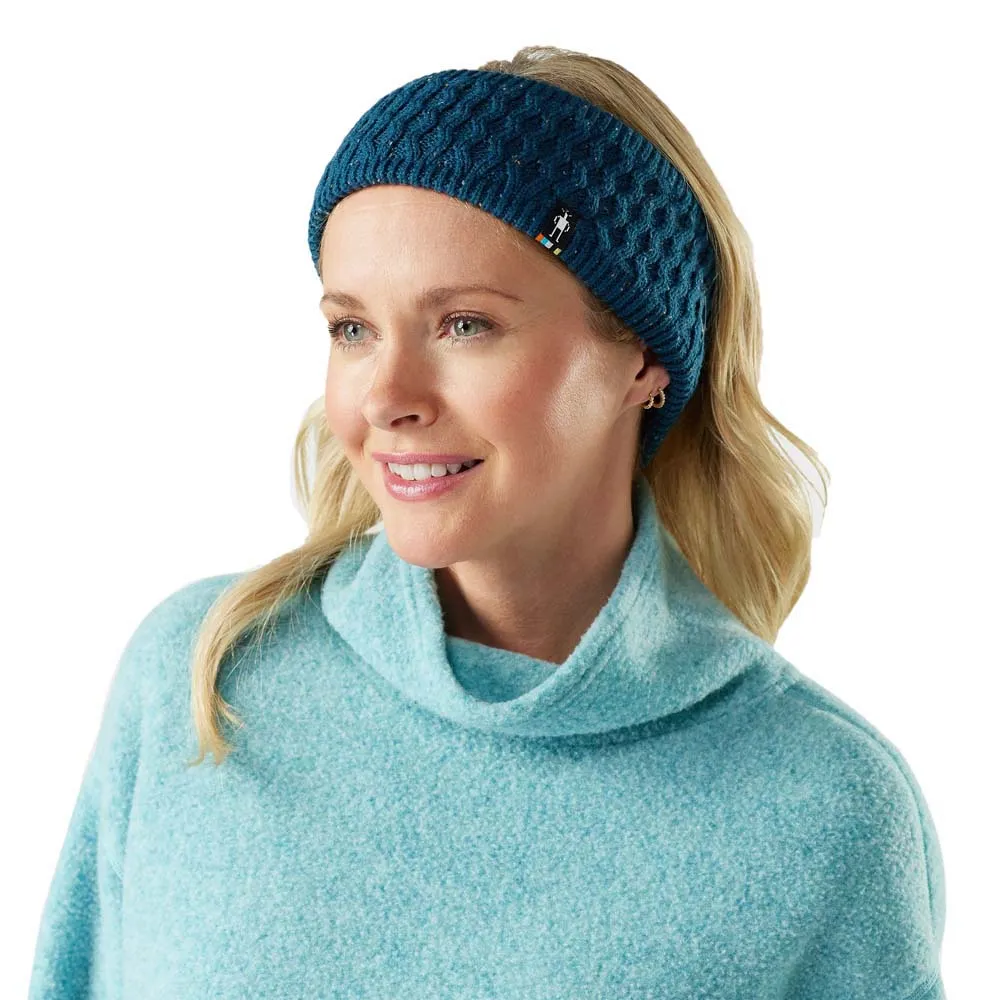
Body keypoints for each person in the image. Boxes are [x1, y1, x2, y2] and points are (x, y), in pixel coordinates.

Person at [28, 46, 947, 999]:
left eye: (465, 324)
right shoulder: (205, 678)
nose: (386, 396)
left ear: (643, 357)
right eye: (352, 329)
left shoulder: (823, 807)